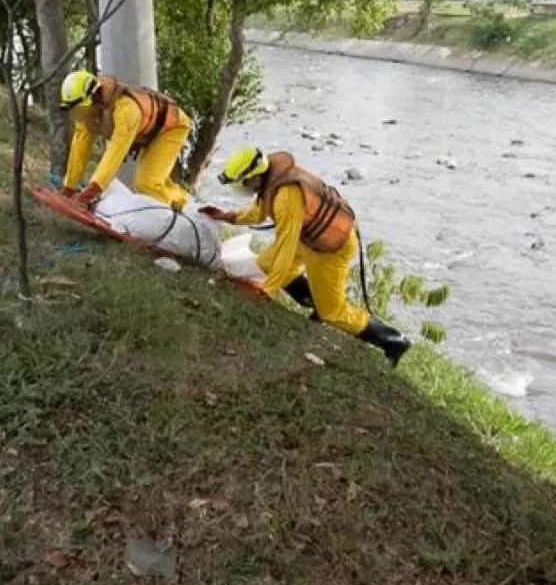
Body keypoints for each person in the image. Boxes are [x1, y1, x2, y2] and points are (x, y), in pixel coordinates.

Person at [201, 146, 411, 366]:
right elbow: (258, 213)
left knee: (333, 312)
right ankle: (316, 303)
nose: (243, 189)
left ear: (253, 177)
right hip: (309, 238)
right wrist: (228, 216)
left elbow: (285, 248)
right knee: (266, 262)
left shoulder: (286, 197)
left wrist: (268, 291)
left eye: (243, 184)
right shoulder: (270, 180)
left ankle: (394, 341)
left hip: (330, 248)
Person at [59, 70, 190, 210]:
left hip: (172, 128)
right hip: (148, 131)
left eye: (80, 110)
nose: (79, 117)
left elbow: (114, 154)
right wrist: (68, 188)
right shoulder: (87, 115)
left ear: (93, 98)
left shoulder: (126, 110)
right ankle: (182, 201)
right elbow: (79, 149)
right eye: (75, 112)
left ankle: (180, 215)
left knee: (147, 182)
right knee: (154, 181)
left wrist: (89, 193)